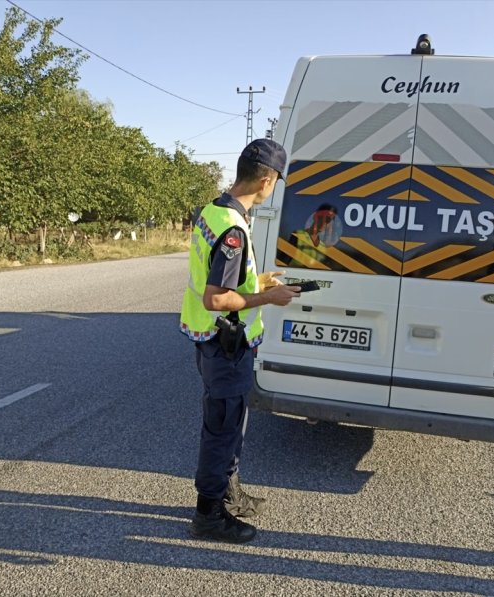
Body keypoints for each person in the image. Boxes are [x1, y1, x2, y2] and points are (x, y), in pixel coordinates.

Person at [179, 138, 300, 543]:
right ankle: (209, 514)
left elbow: (216, 279)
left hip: (211, 340)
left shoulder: (214, 210)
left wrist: (257, 281)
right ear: (266, 179)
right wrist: (268, 297)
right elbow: (216, 297)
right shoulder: (234, 228)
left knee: (228, 424)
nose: (274, 187)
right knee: (224, 429)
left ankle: (228, 493)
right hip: (225, 343)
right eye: (276, 180)